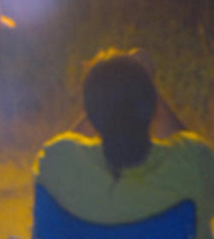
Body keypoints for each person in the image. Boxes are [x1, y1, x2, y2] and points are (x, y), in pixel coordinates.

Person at [34, 49, 214, 238]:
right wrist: (144, 85)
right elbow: (193, 154)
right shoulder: (194, 164)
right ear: (151, 105)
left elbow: (84, 128)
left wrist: (107, 93)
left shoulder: (55, 161)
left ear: (92, 113)